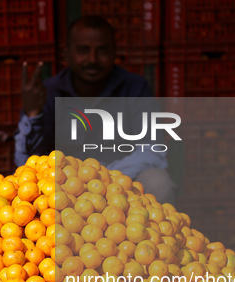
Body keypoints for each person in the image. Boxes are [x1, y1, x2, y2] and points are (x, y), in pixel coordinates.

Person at [15, 15, 176, 205]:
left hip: (124, 182)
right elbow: (27, 162)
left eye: (102, 51)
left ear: (115, 52)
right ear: (66, 54)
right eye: (83, 50)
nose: (92, 59)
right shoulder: (48, 92)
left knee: (159, 182)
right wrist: (32, 114)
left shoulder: (134, 87)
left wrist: (102, 179)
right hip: (65, 188)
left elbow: (153, 150)